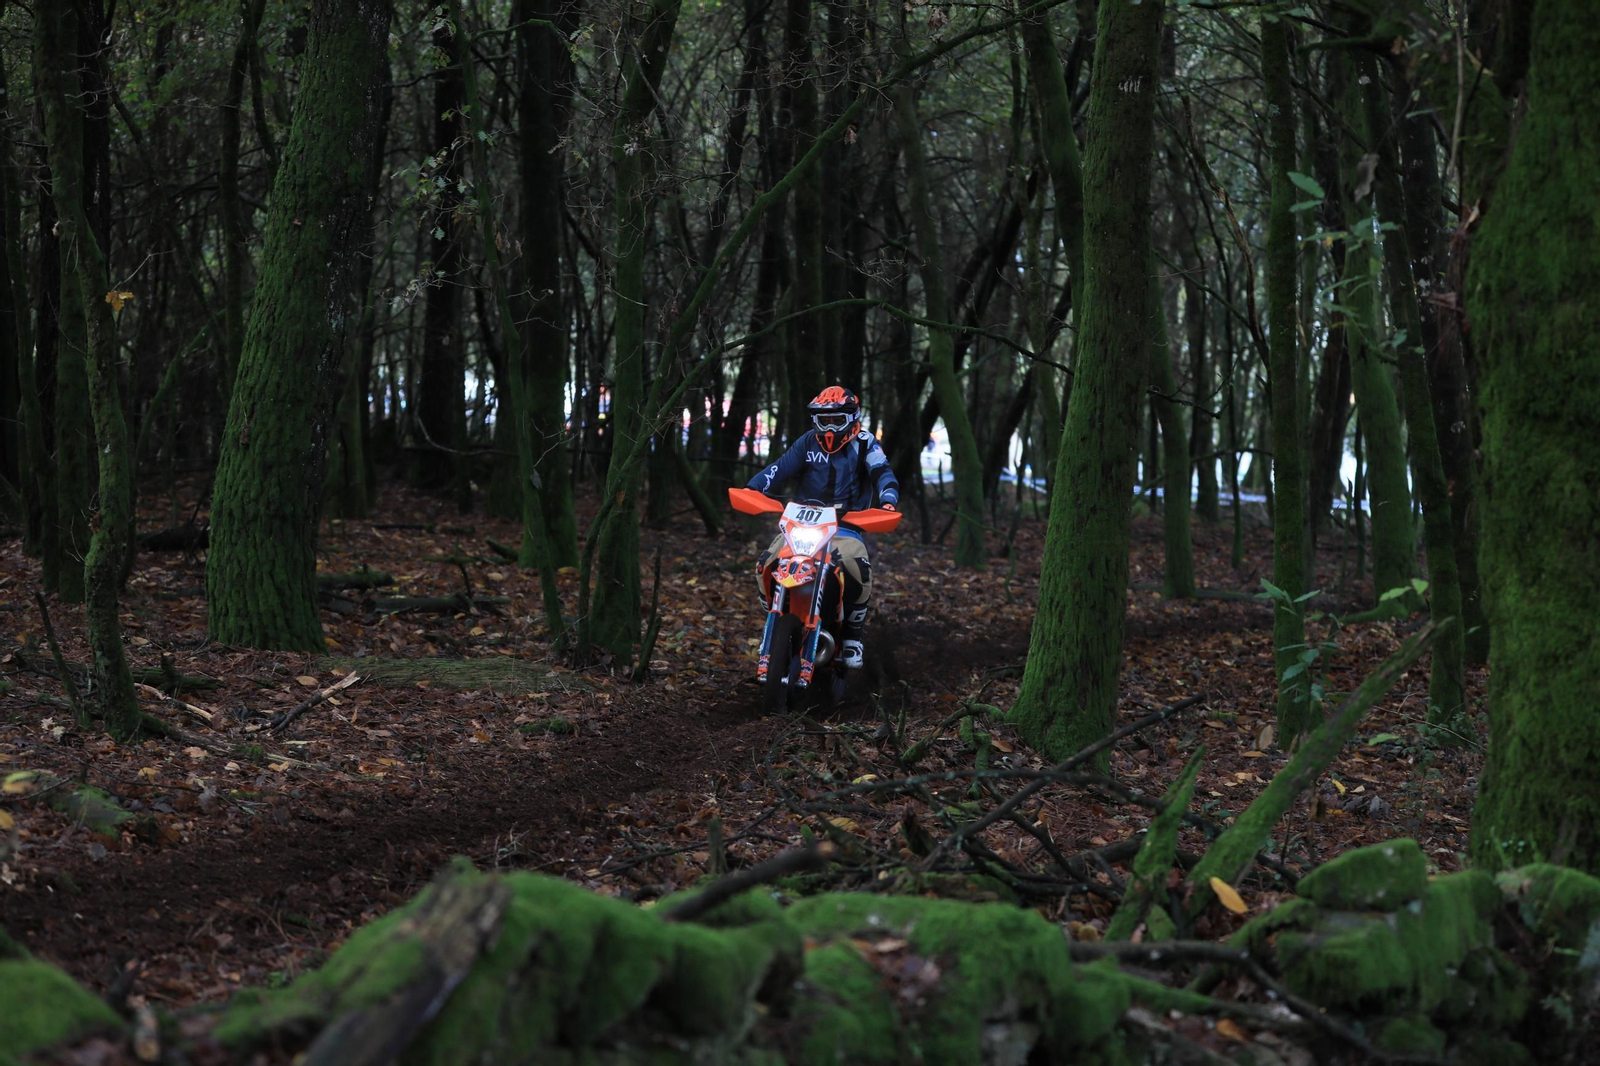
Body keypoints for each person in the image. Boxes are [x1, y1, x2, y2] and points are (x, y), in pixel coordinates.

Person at [746, 386, 900, 668]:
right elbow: (779, 468)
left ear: (852, 419)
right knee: (765, 562)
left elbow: (883, 473)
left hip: (846, 526)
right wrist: (754, 488)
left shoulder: (866, 444)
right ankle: (774, 615)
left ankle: (853, 636)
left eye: (836, 420)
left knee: (857, 566)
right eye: (823, 420)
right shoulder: (807, 442)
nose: (829, 428)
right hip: (801, 523)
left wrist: (888, 502)